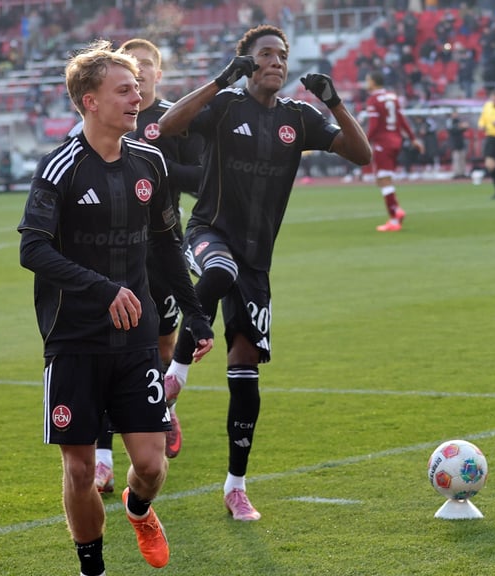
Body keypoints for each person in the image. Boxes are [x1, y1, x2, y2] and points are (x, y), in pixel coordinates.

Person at [157, 24, 371, 521]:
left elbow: (362, 155)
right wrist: (218, 80)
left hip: (259, 259)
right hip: (208, 231)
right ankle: (175, 380)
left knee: (246, 367)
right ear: (247, 63)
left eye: (282, 55)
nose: (276, 61)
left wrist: (335, 103)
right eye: (266, 55)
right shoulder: (225, 107)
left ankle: (236, 488)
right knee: (220, 271)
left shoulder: (299, 118)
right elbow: (168, 126)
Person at [17, 40, 215, 576]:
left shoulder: (149, 161)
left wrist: (196, 314)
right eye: (123, 90)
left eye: (137, 87)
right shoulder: (60, 167)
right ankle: (92, 568)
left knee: (150, 467)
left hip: (135, 339)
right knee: (81, 470)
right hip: (75, 339)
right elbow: (32, 248)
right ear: (89, 101)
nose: (137, 97)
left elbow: (166, 245)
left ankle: (138, 508)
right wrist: (104, 289)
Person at [88, 38, 207, 495]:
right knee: (105, 349)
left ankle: (162, 407)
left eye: (145, 67)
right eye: (130, 68)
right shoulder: (109, 120)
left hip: (161, 246)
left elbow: (201, 178)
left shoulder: (176, 120)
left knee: (160, 342)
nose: (138, 75)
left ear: (158, 73)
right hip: (111, 254)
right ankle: (102, 461)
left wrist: (156, 169)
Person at [363, 70, 423, 232]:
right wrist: (413, 139)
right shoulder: (392, 97)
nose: (366, 82)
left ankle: (395, 216)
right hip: (396, 140)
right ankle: (395, 210)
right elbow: (402, 120)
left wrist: (364, 141)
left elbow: (374, 125)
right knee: (382, 179)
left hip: (383, 142)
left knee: (384, 179)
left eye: (367, 79)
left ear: (374, 82)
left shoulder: (373, 100)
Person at [446, 108, 469, 179]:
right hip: (454, 142)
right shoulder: (450, 121)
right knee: (456, 158)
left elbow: (464, 129)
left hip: (460, 142)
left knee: (462, 158)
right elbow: (451, 129)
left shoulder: (459, 121)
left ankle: (462, 172)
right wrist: (460, 127)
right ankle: (457, 173)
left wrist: (464, 127)